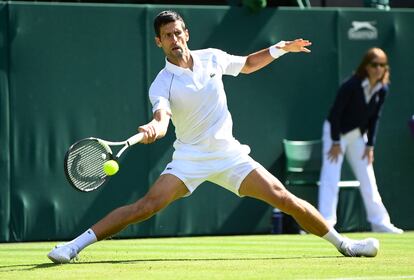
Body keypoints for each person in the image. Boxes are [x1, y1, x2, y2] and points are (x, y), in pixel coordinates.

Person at [48, 10, 379, 264]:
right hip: (189, 159)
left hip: (229, 155)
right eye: (167, 36)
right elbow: (162, 119)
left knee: (283, 196)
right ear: (158, 42)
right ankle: (73, 246)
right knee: (145, 207)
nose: (175, 39)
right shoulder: (161, 84)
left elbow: (248, 64)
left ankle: (346, 245)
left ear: (186, 33)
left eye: (178, 33)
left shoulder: (212, 58)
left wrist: (281, 48)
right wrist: (155, 128)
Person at [318, 47, 403, 234]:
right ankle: (326, 223)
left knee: (367, 177)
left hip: (358, 136)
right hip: (336, 133)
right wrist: (335, 142)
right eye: (374, 65)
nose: (378, 69)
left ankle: (380, 223)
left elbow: (375, 118)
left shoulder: (382, 89)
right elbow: (335, 114)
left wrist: (370, 145)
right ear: (366, 66)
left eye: (382, 65)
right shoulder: (351, 85)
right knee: (330, 176)